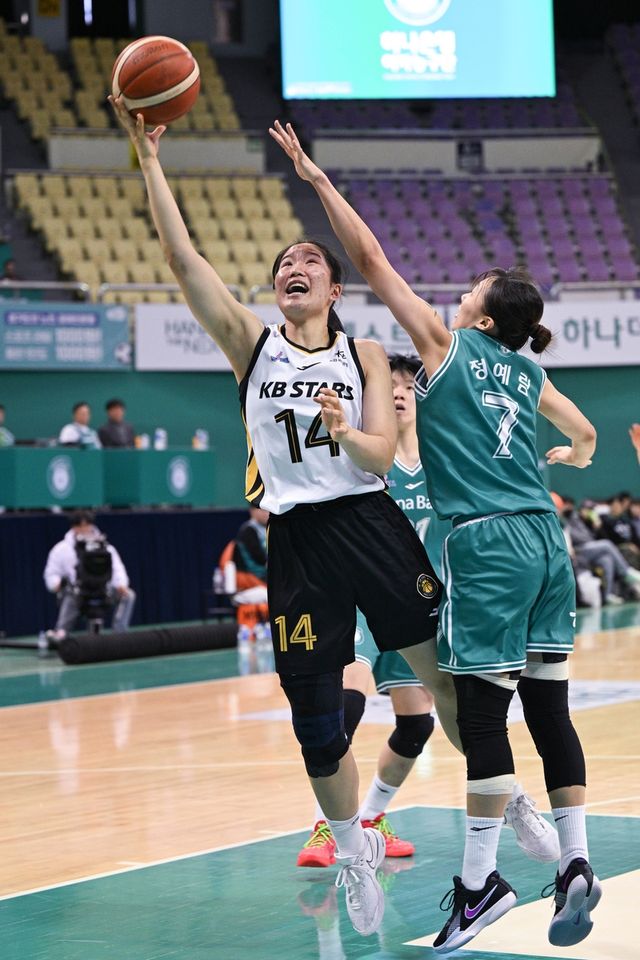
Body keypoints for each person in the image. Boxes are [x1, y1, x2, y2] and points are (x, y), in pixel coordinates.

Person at [109, 95, 452, 938]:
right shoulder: (250, 346)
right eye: (283, 261)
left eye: (309, 258)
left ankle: (509, 806)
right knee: (315, 722)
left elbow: (380, 446)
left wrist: (357, 433)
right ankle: (351, 848)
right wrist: (149, 159)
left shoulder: (363, 352)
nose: (292, 264)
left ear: (333, 286)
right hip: (295, 538)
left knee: (442, 680)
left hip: (370, 520)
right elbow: (182, 259)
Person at [270, 120, 602, 952]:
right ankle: (573, 860)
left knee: (482, 720)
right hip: (546, 545)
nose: (463, 289)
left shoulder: (448, 348)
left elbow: (373, 257)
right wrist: (575, 451)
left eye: (475, 285)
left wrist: (317, 180)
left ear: (486, 312)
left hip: (486, 545)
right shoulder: (530, 370)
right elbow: (587, 435)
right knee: (550, 711)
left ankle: (479, 884)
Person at [297, 355, 560, 870]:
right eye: (388, 385)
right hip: (362, 604)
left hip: (423, 605)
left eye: (408, 385)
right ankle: (327, 825)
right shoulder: (368, 457)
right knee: (341, 706)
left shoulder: (447, 460)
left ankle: (491, 799)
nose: (398, 392)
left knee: (424, 724)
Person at [44, 510, 136, 637]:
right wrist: (56, 584)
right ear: (73, 527)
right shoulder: (61, 550)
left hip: (103, 591)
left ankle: (119, 634)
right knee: (72, 592)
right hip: (77, 593)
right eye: (80, 526)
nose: (84, 529)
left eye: (87, 525)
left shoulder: (106, 547)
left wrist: (121, 584)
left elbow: (117, 569)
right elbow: (51, 573)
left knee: (128, 595)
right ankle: (61, 632)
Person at [564, 497, 640, 603]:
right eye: (587, 509)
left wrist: (597, 528)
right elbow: (579, 539)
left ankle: (607, 595)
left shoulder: (591, 522)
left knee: (607, 559)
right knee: (606, 544)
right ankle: (626, 571)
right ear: (581, 510)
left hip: (590, 552)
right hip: (579, 552)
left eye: (591, 510)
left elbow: (597, 537)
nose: (589, 512)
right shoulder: (574, 519)